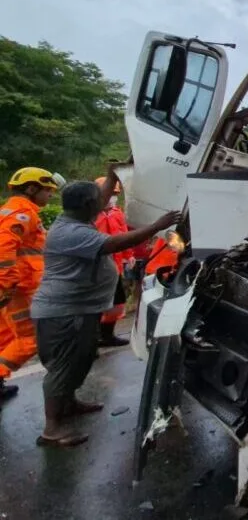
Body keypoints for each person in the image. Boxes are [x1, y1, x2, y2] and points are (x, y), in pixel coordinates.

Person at [30, 173, 181, 447]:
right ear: (88, 205)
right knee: (62, 367)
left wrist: (113, 176)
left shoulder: (78, 221)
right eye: (98, 200)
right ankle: (52, 428)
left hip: (80, 310)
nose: (103, 202)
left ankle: (70, 403)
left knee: (82, 358)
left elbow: (100, 204)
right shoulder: (71, 232)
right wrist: (157, 225)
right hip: (64, 313)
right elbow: (115, 243)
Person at [0, 167, 63, 404]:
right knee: (30, 340)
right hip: (20, 288)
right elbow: (3, 247)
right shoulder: (22, 212)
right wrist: (5, 285)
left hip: (15, 286)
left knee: (6, 337)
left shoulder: (10, 209)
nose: (50, 196)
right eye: (47, 191)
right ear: (31, 188)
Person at [93, 176, 132, 347]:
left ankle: (107, 336)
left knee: (116, 304)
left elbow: (124, 236)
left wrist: (128, 255)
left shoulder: (117, 213)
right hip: (96, 268)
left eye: (116, 194)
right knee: (95, 307)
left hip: (114, 267)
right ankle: (92, 341)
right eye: (111, 193)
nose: (113, 197)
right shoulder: (91, 216)